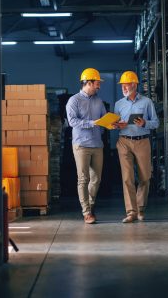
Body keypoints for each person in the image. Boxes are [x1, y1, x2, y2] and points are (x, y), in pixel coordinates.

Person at [113, 71, 159, 223]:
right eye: (122, 86)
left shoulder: (147, 102)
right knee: (127, 178)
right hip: (124, 141)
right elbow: (114, 123)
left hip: (142, 141)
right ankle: (131, 212)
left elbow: (156, 122)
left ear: (134, 84)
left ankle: (141, 208)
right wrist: (117, 125)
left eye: (126, 85)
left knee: (145, 177)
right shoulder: (118, 104)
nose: (123, 88)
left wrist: (145, 123)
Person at [66, 68, 107, 224]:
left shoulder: (99, 101)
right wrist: (92, 123)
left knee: (96, 179)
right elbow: (73, 122)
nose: (99, 86)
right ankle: (86, 212)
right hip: (81, 145)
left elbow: (104, 119)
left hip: (97, 144)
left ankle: (90, 204)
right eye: (97, 83)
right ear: (88, 83)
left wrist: (113, 123)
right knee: (83, 179)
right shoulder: (74, 101)